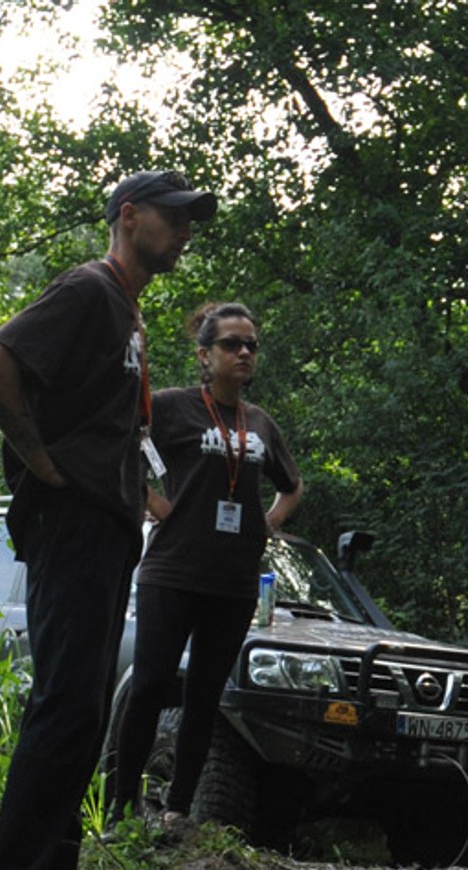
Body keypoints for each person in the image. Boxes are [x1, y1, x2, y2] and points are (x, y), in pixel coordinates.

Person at [0, 168, 216, 870]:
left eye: (189, 221)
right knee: (66, 699)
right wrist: (42, 462)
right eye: (173, 217)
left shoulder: (125, 311)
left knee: (85, 705)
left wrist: (137, 491)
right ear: (128, 215)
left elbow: (106, 423)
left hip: (107, 526)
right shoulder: (86, 291)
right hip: (71, 524)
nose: (184, 232)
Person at [108, 302, 301, 829]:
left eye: (251, 345)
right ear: (204, 355)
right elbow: (126, 443)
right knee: (148, 685)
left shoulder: (259, 421)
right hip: (172, 573)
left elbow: (292, 485)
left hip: (234, 583)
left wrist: (266, 523)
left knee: (204, 698)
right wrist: (151, 500)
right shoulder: (173, 407)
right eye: (232, 344)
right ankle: (119, 809)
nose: (244, 352)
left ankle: (177, 810)